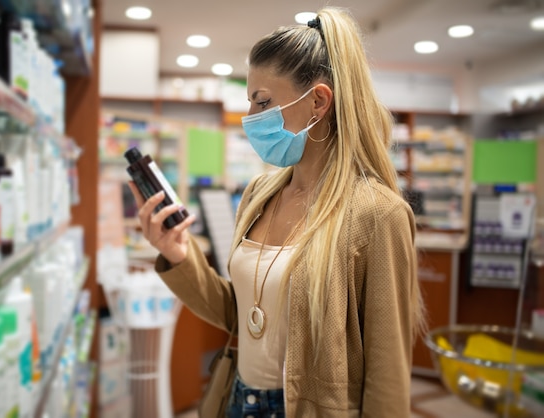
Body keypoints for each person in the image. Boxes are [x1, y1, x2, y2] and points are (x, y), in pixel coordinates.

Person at [128, 6, 426, 417]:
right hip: (238, 401)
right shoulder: (258, 194)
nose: (251, 119)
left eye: (262, 102)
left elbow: (387, 369)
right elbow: (240, 315)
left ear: (319, 101)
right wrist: (179, 254)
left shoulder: (377, 214)